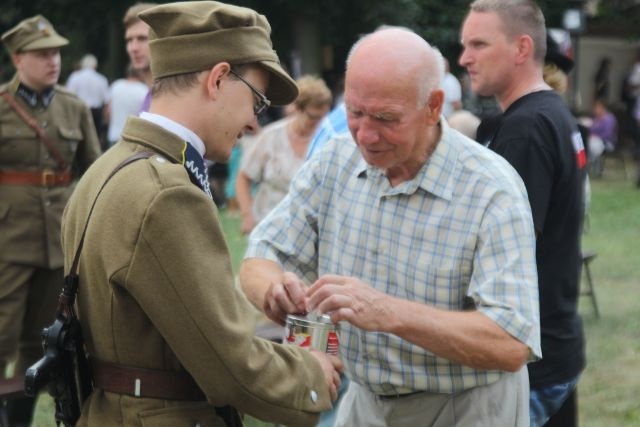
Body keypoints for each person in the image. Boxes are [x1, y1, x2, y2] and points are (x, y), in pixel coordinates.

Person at [240, 26, 541, 427]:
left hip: (466, 406)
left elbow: (510, 342)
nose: (365, 135)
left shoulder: (491, 189)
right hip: (366, 402)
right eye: (355, 112)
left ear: (434, 106)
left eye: (386, 118)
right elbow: (261, 255)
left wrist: (387, 312)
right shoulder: (336, 160)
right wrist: (274, 292)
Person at [61, 2, 342, 426]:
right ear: (217, 80)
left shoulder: (108, 167)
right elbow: (230, 366)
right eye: (256, 100)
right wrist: (312, 374)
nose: (252, 122)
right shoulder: (168, 194)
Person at [459, 1, 587, 426]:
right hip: (555, 342)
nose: (465, 58)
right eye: (464, 45)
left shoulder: (525, 129)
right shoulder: (551, 114)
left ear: (521, 48)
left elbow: (506, 250)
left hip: (531, 355)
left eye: (479, 44)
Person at [0, 15, 101, 425]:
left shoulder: (74, 107)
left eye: (56, 52)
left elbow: (93, 172)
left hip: (59, 241)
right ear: (17, 58)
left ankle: (21, 417)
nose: (53, 61)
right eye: (42, 54)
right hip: (7, 240)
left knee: (45, 340)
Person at [236, 75, 331, 234]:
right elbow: (243, 177)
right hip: (269, 228)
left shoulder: (328, 141)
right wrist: (247, 215)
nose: (320, 123)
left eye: (324, 117)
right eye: (313, 117)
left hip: (310, 232)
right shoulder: (271, 136)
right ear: (298, 109)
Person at [66, 53, 110, 148]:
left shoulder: (75, 77)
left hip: (78, 111)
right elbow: (106, 101)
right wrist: (106, 118)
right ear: (95, 65)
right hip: (96, 113)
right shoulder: (101, 79)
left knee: (79, 139)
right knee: (95, 141)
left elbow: (68, 97)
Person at [122, 3, 156, 112]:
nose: (133, 48)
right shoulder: (149, 95)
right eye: (129, 40)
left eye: (142, 38)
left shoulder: (172, 96)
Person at [105, 64, 148, 147]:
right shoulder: (144, 90)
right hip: (132, 138)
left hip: (114, 135)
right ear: (141, 73)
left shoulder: (116, 85)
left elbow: (107, 111)